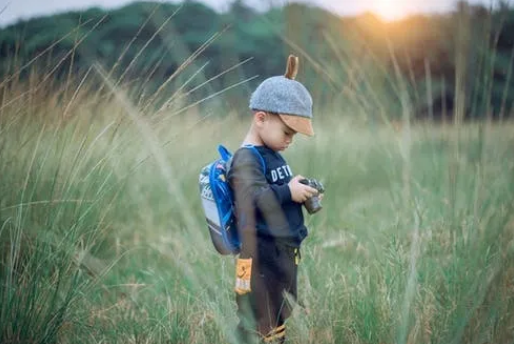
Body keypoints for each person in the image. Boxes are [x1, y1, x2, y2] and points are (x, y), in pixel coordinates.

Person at [227, 55, 319, 344]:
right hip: (260, 257)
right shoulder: (245, 159)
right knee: (257, 318)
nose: (290, 139)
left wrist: (297, 188)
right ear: (261, 118)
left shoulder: (272, 153)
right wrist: (287, 191)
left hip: (279, 255)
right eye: (287, 131)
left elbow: (275, 192)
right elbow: (252, 199)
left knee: (278, 313)